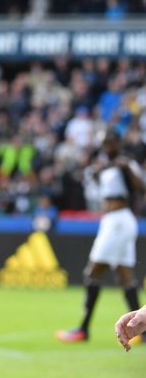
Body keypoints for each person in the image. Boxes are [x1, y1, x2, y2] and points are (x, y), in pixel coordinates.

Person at [56, 128, 145, 343]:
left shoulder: (125, 163)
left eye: (109, 142)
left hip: (119, 220)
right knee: (125, 276)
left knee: (93, 271)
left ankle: (83, 329)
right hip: (112, 221)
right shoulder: (104, 167)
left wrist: (126, 170)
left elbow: (141, 188)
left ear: (117, 143)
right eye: (103, 143)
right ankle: (143, 333)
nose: (106, 146)